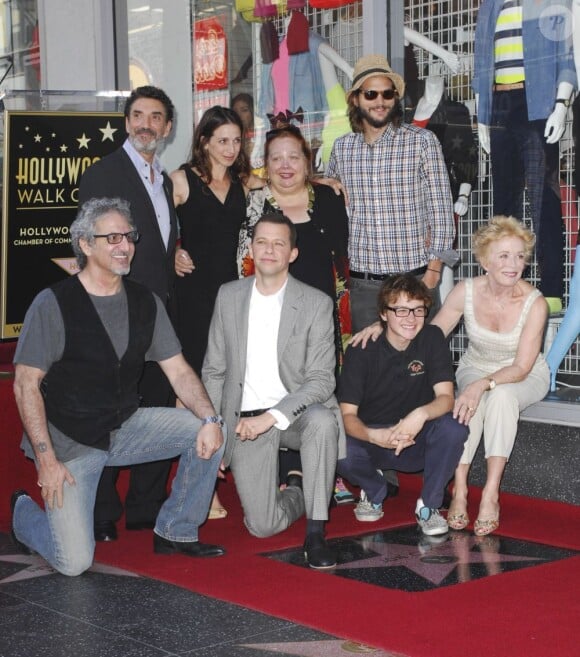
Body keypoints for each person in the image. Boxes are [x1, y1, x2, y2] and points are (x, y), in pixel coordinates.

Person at [10, 198, 226, 576]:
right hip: (70, 442)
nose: (124, 245)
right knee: (74, 562)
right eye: (111, 238)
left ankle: (176, 528)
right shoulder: (53, 303)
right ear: (85, 244)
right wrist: (46, 461)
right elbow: (26, 385)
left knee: (207, 426)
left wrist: (208, 417)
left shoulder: (146, 301)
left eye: (128, 236)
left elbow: (178, 370)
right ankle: (23, 512)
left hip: (125, 426)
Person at [202, 213, 344, 570]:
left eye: (279, 243)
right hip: (243, 421)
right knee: (262, 527)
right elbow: (214, 370)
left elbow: (322, 380)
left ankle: (316, 531)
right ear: (251, 248)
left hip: (294, 416)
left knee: (323, 420)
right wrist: (212, 425)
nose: (269, 250)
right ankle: (297, 487)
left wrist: (271, 417)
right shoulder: (228, 296)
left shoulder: (316, 303)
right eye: (262, 242)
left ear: (292, 254)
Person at [78, 85, 186, 542]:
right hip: (117, 313)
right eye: (138, 115)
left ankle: (146, 505)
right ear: (127, 123)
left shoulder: (163, 179)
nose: (146, 124)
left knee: (159, 405)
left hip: (160, 312)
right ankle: (102, 511)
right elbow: (95, 247)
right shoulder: (103, 174)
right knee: (112, 409)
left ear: (166, 127)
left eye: (156, 117)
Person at [237, 123, 352, 503]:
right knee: (277, 387)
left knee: (321, 389)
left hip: (324, 315)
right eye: (276, 158)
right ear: (264, 165)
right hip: (271, 315)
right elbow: (242, 259)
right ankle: (289, 468)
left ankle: (327, 468)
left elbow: (341, 256)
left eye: (294, 156)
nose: (285, 165)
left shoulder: (330, 197)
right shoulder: (253, 202)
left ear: (307, 162)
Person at [170, 106, 261, 520]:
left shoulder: (244, 181)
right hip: (191, 296)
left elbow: (291, 179)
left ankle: (203, 475)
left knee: (223, 383)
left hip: (231, 296)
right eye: (221, 140)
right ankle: (194, 482)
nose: (229, 148)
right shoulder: (181, 181)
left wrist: (326, 181)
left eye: (236, 140)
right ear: (204, 140)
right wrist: (172, 251)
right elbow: (148, 224)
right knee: (188, 387)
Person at [432, 216, 550, 535]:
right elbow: (433, 334)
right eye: (503, 256)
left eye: (519, 256)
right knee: (473, 396)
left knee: (499, 395)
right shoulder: (465, 291)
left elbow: (522, 367)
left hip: (524, 374)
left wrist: (482, 384)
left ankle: (490, 493)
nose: (514, 264)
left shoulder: (534, 303)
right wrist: (389, 331)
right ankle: (459, 487)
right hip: (477, 364)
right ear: (484, 260)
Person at [325, 54, 455, 332]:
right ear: (356, 99)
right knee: (369, 371)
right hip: (364, 286)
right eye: (370, 94)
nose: (379, 101)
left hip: (415, 280)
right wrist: (320, 181)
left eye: (387, 93)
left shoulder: (422, 142)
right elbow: (326, 197)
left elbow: (442, 212)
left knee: (420, 369)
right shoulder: (342, 148)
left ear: (396, 98)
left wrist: (431, 276)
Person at [337, 274, 468, 536]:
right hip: (372, 439)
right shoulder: (361, 349)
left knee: (455, 427)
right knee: (334, 442)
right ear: (384, 314)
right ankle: (374, 490)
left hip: (415, 439)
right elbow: (347, 415)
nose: (411, 318)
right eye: (401, 310)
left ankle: (429, 506)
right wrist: (374, 436)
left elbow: (446, 398)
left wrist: (419, 415)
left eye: (418, 310)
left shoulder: (431, 338)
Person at [472, 0, 576, 312]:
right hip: (499, 103)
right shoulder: (490, 5)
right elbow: (481, 61)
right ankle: (506, 284)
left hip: (537, 102)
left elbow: (565, 55)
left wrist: (561, 103)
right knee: (504, 203)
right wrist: (481, 117)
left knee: (543, 198)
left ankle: (551, 289)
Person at [231, 93, 255, 159]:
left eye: (244, 110)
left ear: (252, 111)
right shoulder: (231, 136)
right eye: (235, 111)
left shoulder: (259, 134)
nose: (239, 115)